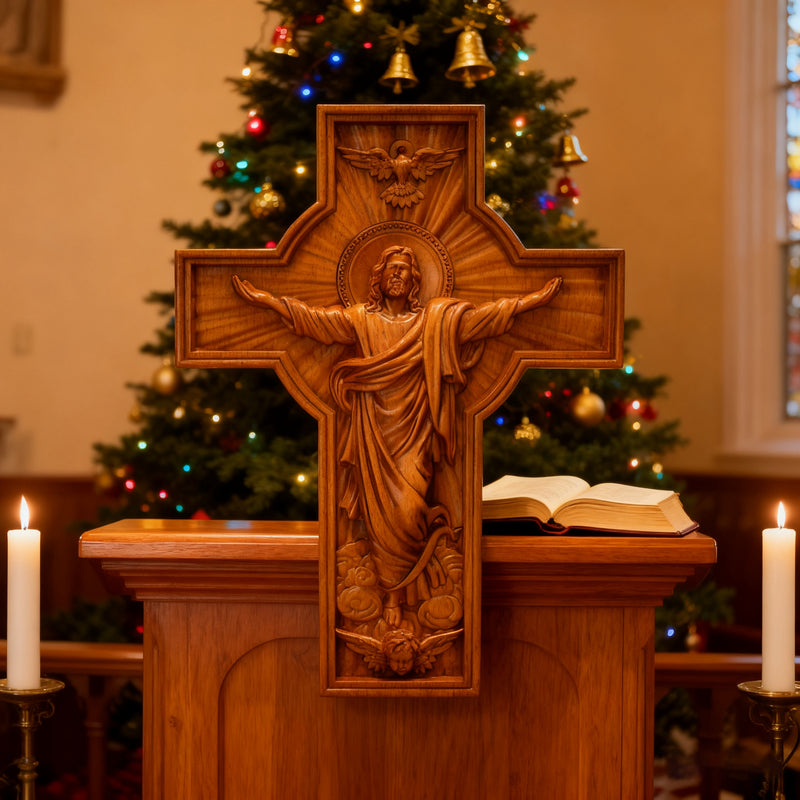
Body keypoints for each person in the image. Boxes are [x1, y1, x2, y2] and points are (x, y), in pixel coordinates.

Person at [233, 245, 561, 631]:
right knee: (377, 521)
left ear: (415, 281)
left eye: (406, 270)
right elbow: (316, 322)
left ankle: (407, 587)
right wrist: (269, 301)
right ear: (378, 277)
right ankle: (393, 597)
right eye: (392, 269)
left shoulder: (434, 322)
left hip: (415, 435)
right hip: (374, 434)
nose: (398, 275)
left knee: (408, 513)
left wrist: (530, 302)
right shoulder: (360, 320)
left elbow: (481, 320)